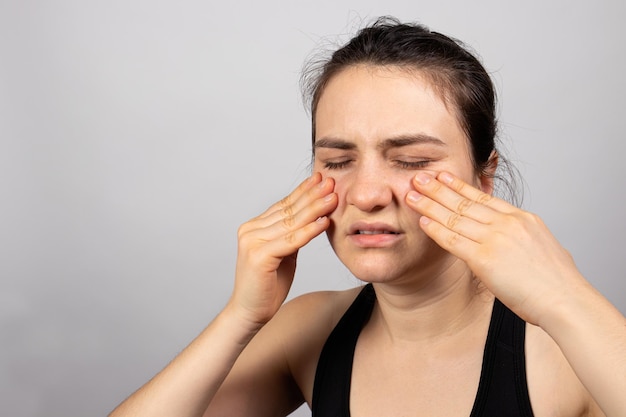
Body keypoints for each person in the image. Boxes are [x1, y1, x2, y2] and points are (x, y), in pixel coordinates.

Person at [108, 17, 626, 417]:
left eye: (413, 161)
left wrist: (565, 299)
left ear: (484, 178)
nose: (368, 193)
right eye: (337, 161)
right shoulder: (311, 331)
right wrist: (239, 318)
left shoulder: (562, 350)